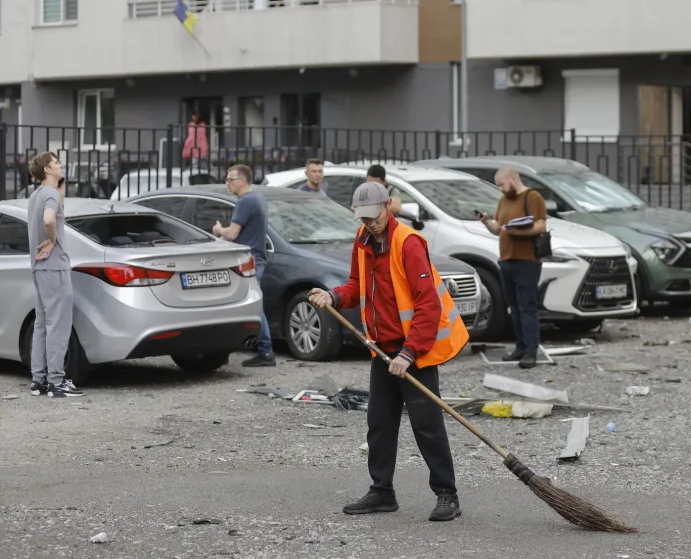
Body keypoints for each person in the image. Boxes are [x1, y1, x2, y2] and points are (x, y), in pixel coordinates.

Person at [308, 181, 469, 522]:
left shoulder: (407, 243)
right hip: (382, 350)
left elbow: (429, 304)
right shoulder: (363, 241)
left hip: (415, 351)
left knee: (427, 426)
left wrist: (409, 353)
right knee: (379, 423)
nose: (371, 222)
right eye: (364, 218)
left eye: (375, 215)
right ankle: (382, 492)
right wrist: (333, 296)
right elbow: (356, 286)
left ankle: (447, 495)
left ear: (389, 206)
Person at [477, 167, 547, 369]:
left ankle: (530, 351)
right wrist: (486, 222)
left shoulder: (532, 197)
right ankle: (520, 347)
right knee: (514, 308)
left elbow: (540, 226)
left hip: (527, 260)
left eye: (501, 184)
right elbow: (498, 228)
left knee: (527, 307)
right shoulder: (504, 200)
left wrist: (516, 231)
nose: (499, 189)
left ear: (513, 179)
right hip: (506, 260)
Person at [26, 152, 83, 398]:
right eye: (57, 163)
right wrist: (51, 240)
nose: (61, 166)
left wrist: (61, 186)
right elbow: (50, 219)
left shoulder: (36, 195)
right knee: (58, 325)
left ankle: (38, 381)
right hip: (55, 266)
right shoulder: (49, 195)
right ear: (47, 169)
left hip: (39, 269)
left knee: (42, 324)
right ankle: (57, 382)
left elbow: (56, 209)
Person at [212, 164, 277, 367]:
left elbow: (232, 234)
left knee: (251, 306)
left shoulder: (246, 201)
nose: (227, 184)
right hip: (255, 258)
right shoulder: (257, 198)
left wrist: (218, 230)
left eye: (230, 179)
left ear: (242, 180)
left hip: (248, 261)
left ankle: (266, 351)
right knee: (248, 304)